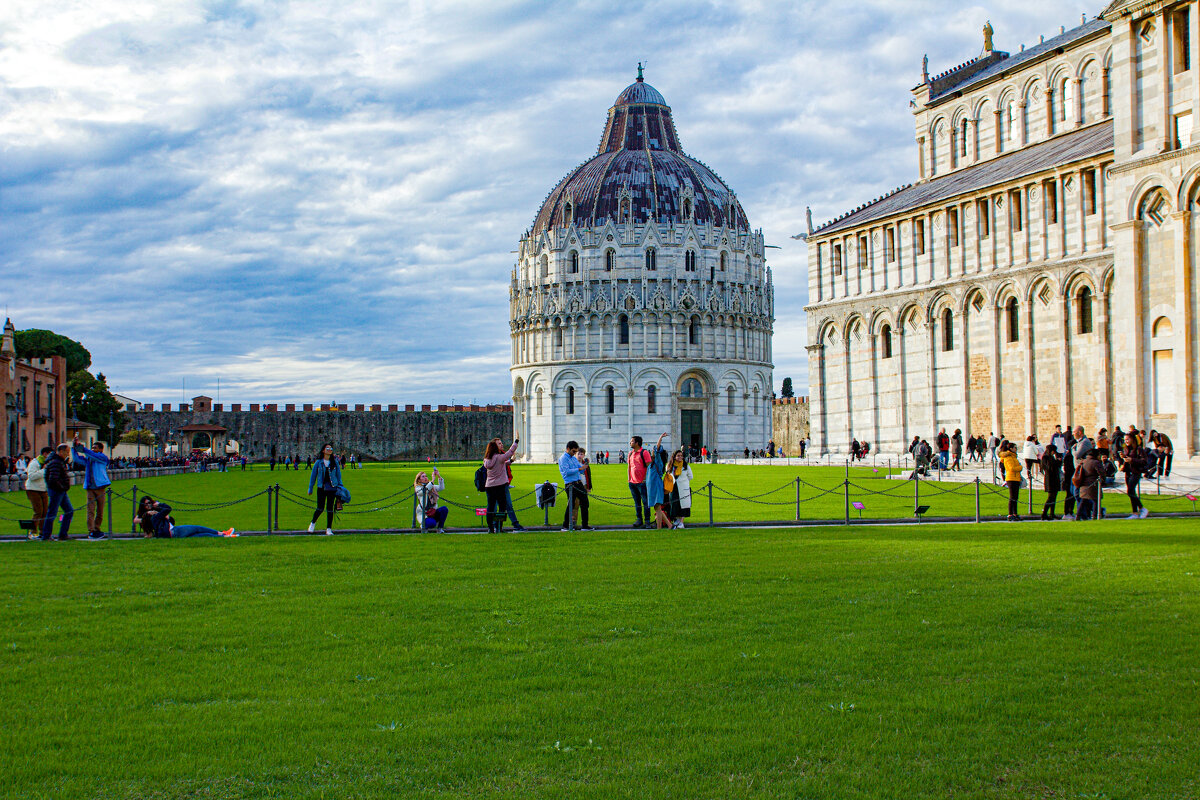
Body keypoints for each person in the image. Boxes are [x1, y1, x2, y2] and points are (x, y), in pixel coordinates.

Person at [135, 496, 235, 537]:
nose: (150, 506)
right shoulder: (155, 517)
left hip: (172, 533)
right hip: (174, 531)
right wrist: (160, 504)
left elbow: (170, 519)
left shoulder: (151, 519)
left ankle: (224, 536)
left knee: (199, 535)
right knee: (197, 528)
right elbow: (168, 508)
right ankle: (221, 533)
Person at [72, 437, 112, 540]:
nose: (93, 449)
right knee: (90, 510)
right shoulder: (89, 459)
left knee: (100, 510)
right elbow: (77, 459)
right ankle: (91, 530)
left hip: (100, 487)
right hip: (90, 487)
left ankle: (97, 528)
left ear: (101, 450)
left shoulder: (103, 458)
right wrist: (74, 448)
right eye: (92, 448)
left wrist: (83, 449)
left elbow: (93, 455)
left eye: (95, 448)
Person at [482, 436, 519, 534]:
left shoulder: (487, 459)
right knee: (502, 507)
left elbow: (500, 464)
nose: (501, 445)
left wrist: (510, 461)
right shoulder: (499, 457)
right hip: (500, 485)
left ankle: (490, 528)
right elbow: (510, 452)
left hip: (489, 486)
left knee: (490, 507)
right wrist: (516, 441)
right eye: (499, 444)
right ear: (495, 447)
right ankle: (499, 527)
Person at [38, 443, 75, 541]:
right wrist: (62, 487)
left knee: (69, 511)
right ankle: (47, 535)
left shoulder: (57, 461)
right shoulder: (56, 462)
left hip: (59, 490)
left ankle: (62, 534)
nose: (68, 454)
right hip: (57, 491)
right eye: (67, 452)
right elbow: (53, 479)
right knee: (52, 513)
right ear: (61, 451)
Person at [307, 442, 344, 535]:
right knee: (320, 508)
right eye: (328, 448)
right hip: (321, 488)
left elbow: (338, 476)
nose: (330, 450)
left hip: (332, 488)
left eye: (331, 448)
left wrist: (340, 487)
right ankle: (312, 523)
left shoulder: (334, 462)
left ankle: (328, 528)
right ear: (323, 451)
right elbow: (313, 476)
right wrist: (310, 488)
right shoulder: (318, 463)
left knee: (330, 509)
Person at [557, 440, 592, 531]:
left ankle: (585, 525)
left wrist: (585, 466)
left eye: (576, 452)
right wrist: (579, 468)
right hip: (570, 484)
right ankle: (565, 526)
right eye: (573, 451)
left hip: (578, 483)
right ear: (568, 449)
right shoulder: (563, 459)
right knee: (571, 505)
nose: (574, 453)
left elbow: (580, 470)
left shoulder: (573, 458)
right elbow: (566, 472)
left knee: (585, 503)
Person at [24, 447, 51, 541]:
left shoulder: (47, 463)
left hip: (43, 489)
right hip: (33, 489)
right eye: (49, 454)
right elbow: (31, 476)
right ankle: (32, 532)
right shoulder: (34, 463)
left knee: (45, 511)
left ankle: (43, 532)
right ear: (44, 454)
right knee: (38, 511)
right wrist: (44, 471)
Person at [645, 433, 670, 528]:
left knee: (658, 507)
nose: (652, 451)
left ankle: (659, 528)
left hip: (656, 486)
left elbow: (657, 448)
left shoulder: (658, 461)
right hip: (652, 486)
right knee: (657, 508)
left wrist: (660, 437)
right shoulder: (653, 463)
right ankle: (669, 525)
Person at [663, 449, 693, 529]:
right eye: (678, 456)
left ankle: (681, 522)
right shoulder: (669, 466)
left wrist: (683, 481)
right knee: (674, 504)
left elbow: (691, 476)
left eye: (681, 456)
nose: (680, 457)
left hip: (683, 487)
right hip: (673, 487)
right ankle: (676, 520)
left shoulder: (686, 465)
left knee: (684, 505)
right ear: (674, 456)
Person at [627, 435, 652, 528]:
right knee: (637, 502)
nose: (630, 443)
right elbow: (629, 467)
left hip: (642, 482)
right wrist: (629, 479)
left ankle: (647, 521)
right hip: (632, 482)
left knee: (645, 502)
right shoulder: (630, 453)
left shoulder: (644, 452)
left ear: (637, 443)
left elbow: (649, 467)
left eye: (632, 441)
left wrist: (645, 479)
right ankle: (639, 520)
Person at [1120, 433, 1147, 518]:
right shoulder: (1126, 449)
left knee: (1130, 490)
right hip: (1128, 472)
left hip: (1135, 472)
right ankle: (1135, 512)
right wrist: (1123, 458)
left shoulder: (1138, 449)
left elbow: (1144, 461)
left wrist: (1132, 460)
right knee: (1131, 492)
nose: (1126, 441)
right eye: (1125, 440)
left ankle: (1142, 508)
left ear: (1132, 439)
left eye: (1127, 439)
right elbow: (1127, 460)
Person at [1073, 450, 1104, 521]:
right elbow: (1101, 473)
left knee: (1083, 500)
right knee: (1096, 501)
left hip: (1083, 484)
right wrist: (1103, 480)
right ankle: (1095, 515)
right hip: (1093, 484)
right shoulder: (1096, 462)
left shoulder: (1083, 462)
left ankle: (1078, 515)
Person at [998, 442, 1023, 521]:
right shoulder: (1008, 457)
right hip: (1011, 478)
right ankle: (1010, 514)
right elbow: (1011, 468)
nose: (1016, 449)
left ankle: (1015, 513)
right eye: (1015, 448)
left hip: (1016, 478)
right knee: (1012, 497)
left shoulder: (1014, 457)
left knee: (1015, 497)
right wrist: (1020, 467)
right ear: (1011, 448)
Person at [1039, 444, 1062, 520]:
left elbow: (1056, 466)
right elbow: (1050, 467)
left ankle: (1052, 513)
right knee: (1050, 497)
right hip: (1050, 479)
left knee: (1054, 497)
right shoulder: (1046, 458)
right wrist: (1056, 462)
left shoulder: (1051, 457)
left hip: (1054, 479)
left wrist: (1058, 461)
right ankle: (1044, 513)